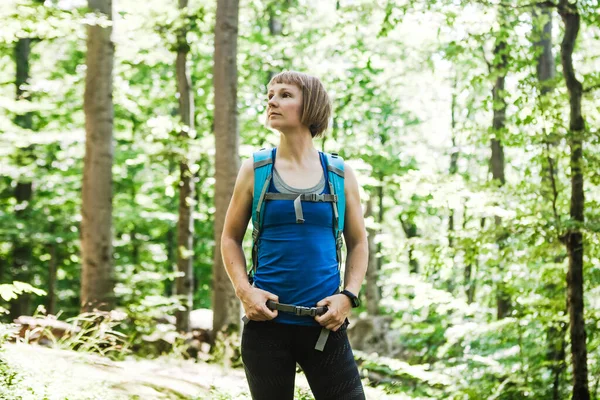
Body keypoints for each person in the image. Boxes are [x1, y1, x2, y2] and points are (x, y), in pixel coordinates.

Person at [221, 71, 368, 400]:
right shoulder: (257, 169)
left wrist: (348, 297)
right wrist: (245, 293)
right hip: (266, 327)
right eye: (270, 94)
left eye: (285, 95)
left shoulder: (339, 174)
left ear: (311, 105)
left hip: (325, 328)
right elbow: (230, 237)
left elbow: (359, 242)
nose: (272, 100)